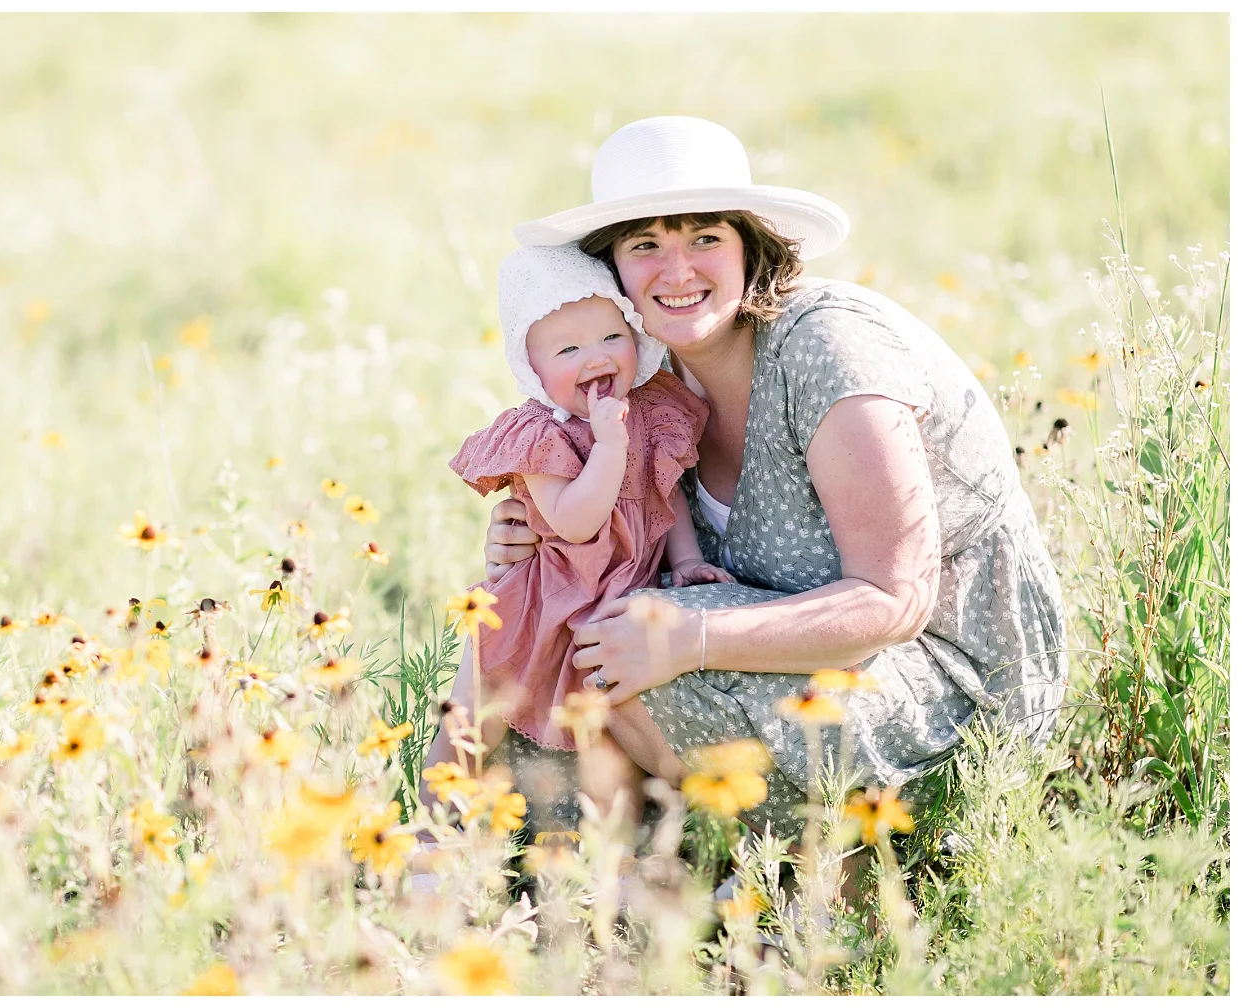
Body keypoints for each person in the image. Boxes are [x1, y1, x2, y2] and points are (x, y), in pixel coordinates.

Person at [480, 116, 1068, 842]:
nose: (676, 270)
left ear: (749, 244)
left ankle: (836, 881)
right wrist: (538, 538)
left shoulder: (828, 347)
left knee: (633, 664)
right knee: (536, 671)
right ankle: (686, 873)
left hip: (946, 689)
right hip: (789, 668)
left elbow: (896, 599)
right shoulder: (644, 383)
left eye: (704, 238)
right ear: (616, 275)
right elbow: (613, 544)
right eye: (644, 245)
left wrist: (692, 639)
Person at [417, 242, 731, 830]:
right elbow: (575, 521)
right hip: (543, 599)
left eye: (611, 337)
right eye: (568, 349)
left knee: (607, 736)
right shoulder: (540, 434)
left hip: (614, 598)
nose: (595, 358)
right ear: (532, 370)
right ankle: (431, 829)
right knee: (473, 716)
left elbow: (665, 499)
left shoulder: (650, 411)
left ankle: (616, 855)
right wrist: (609, 449)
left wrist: (685, 561)